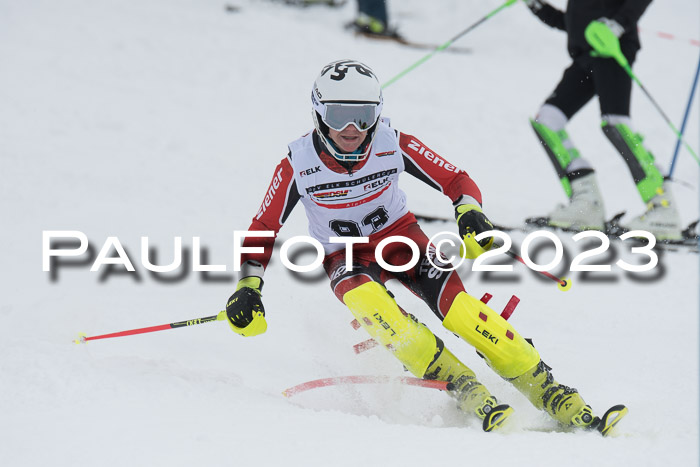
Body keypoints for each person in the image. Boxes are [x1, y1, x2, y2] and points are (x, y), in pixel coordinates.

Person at [224, 59, 625, 433]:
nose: (352, 129)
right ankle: (459, 383)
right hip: (345, 256)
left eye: (363, 116)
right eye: (338, 116)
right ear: (318, 115)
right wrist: (248, 286)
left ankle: (548, 389)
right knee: (374, 309)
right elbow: (263, 226)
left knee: (465, 313)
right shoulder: (297, 163)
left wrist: (468, 210)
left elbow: (456, 179)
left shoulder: (391, 142)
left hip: (403, 239)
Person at [523, 0, 683, 240]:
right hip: (585, 56)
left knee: (616, 125)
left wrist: (618, 24)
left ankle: (663, 208)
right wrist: (536, 6)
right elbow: (570, 22)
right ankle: (587, 205)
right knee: (547, 121)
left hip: (611, 50)